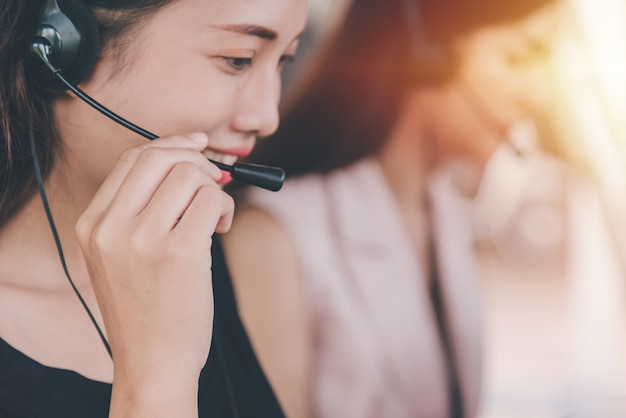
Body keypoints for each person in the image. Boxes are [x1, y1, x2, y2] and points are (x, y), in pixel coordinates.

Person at [222, 0, 565, 417]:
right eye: (518, 57)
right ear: (430, 54)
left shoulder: (439, 207)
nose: (539, 94)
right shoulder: (273, 235)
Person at [0, 0, 307, 417]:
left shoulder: (187, 247)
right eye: (239, 60)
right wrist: (155, 383)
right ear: (60, 47)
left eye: (283, 61)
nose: (266, 117)